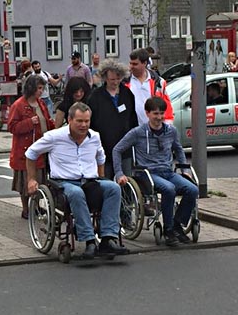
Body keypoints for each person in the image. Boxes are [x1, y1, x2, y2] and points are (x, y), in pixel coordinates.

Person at [25, 102, 129, 259]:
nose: (84, 125)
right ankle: (89, 240)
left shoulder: (94, 137)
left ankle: (108, 238)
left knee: (113, 188)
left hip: (90, 181)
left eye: (87, 121)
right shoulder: (55, 137)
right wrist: (31, 179)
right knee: (75, 192)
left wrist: (100, 178)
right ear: (70, 119)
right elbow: (31, 153)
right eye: (79, 121)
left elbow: (101, 158)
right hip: (63, 183)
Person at [112, 97, 199, 247]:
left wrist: (185, 169)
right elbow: (117, 149)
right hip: (148, 173)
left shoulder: (171, 131)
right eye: (155, 114)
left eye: (161, 113)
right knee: (169, 189)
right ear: (147, 113)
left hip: (168, 172)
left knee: (192, 189)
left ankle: (178, 224)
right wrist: (119, 173)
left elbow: (178, 149)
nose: (159, 117)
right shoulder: (138, 132)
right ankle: (168, 229)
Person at [8, 75, 55, 219]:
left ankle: (36, 206)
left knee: (39, 178)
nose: (41, 91)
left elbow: (46, 121)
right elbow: (12, 127)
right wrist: (29, 122)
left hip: (40, 147)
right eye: (39, 88)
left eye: (42, 88)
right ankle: (26, 209)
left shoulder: (41, 104)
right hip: (24, 149)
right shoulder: (19, 105)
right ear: (31, 88)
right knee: (25, 181)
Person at [87, 59, 138, 180]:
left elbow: (132, 118)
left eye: (118, 79)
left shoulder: (127, 93)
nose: (115, 82)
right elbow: (91, 122)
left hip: (124, 146)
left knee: (126, 179)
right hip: (105, 147)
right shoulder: (95, 96)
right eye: (112, 79)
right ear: (105, 78)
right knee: (107, 180)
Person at [127, 48, 174, 125]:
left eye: (135, 64)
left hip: (154, 129)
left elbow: (166, 105)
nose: (131, 66)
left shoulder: (158, 82)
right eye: (130, 63)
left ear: (144, 63)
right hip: (132, 130)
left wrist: (167, 125)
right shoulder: (124, 81)